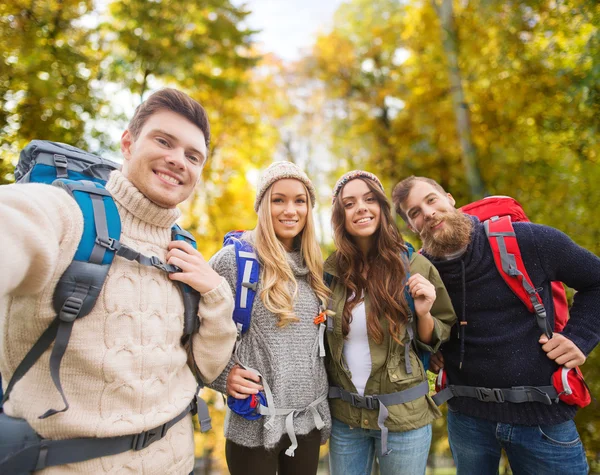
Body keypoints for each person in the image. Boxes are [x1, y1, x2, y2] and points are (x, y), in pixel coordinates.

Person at [0, 88, 238, 474]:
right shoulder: (65, 212)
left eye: (192, 156)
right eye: (164, 141)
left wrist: (215, 293)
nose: (178, 160)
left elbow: (208, 368)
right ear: (128, 143)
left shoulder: (185, 248)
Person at [392, 175, 600, 474]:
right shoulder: (420, 272)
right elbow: (417, 330)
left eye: (431, 200)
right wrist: (432, 350)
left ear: (449, 198)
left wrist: (580, 338)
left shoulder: (526, 241)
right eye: (414, 212)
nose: (427, 213)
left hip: (542, 417)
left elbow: (596, 279)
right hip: (467, 419)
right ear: (411, 226)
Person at [325, 170, 456, 475]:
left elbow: (438, 336)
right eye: (349, 203)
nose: (361, 207)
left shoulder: (416, 265)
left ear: (382, 209)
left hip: (403, 419)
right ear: (339, 215)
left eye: (370, 199)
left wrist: (423, 313)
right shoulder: (330, 274)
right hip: (346, 420)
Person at [208, 161, 331, 475]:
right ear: (263, 206)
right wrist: (221, 377)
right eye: (279, 199)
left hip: (306, 425)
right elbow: (191, 333)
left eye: (299, 201)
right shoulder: (234, 262)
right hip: (253, 426)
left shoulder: (317, 270)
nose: (290, 210)